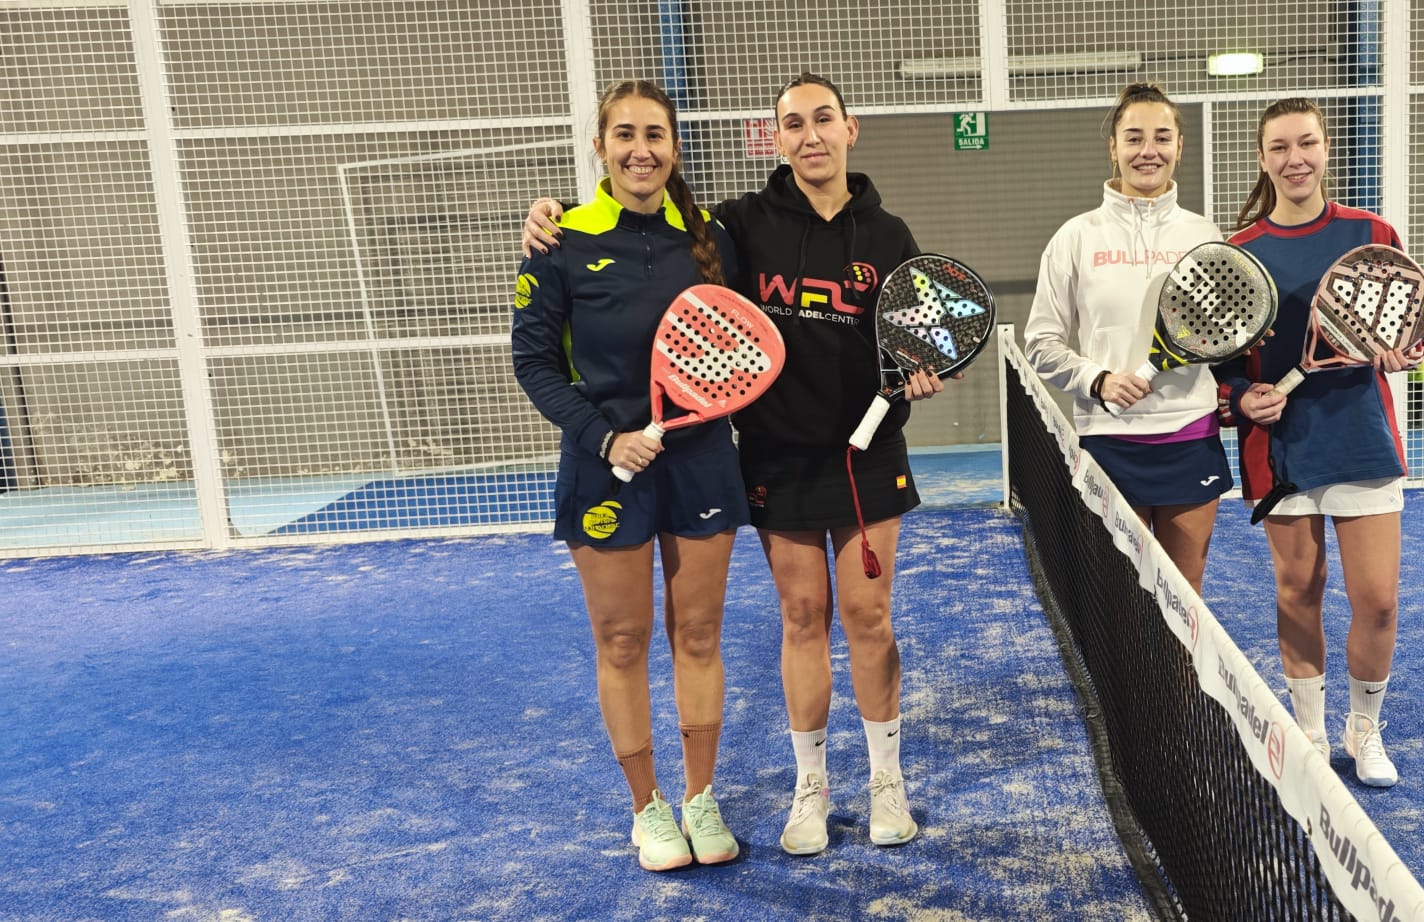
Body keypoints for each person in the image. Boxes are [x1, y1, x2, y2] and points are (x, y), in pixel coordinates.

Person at [524, 73, 942, 855]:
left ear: (850, 129)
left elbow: (922, 333)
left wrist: (920, 372)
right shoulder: (739, 225)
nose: (810, 135)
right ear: (775, 139)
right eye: (794, 123)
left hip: (859, 455)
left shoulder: (879, 234)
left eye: (824, 119)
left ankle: (881, 782)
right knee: (791, 620)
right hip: (771, 457)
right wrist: (551, 213)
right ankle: (802, 789)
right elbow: (560, 326)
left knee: (862, 618)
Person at [509, 79, 745, 870]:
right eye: (624, 135)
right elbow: (534, 362)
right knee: (621, 638)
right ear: (600, 147)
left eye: (655, 135)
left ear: (674, 148)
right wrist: (606, 440)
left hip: (701, 460)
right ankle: (648, 808)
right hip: (603, 466)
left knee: (698, 634)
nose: (640, 150)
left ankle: (700, 799)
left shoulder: (713, 237)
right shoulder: (561, 240)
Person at [1215, 98, 1424, 787]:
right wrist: (1242, 399)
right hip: (1282, 450)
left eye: (1306, 143)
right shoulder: (1239, 252)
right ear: (1262, 159)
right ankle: (1308, 730)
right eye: (1279, 147)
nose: (1295, 159)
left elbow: (1408, 322)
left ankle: (1364, 728)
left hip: (1361, 441)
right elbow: (1224, 366)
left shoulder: (1371, 232)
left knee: (1378, 601)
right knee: (1297, 591)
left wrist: (1405, 353)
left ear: (1326, 148)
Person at [1022, 82, 1232, 590]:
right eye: (1134, 138)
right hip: (1108, 440)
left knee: (1184, 597)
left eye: (1162, 137)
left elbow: (1220, 335)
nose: (1148, 151)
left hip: (1190, 435)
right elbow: (1041, 343)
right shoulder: (1075, 237)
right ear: (1113, 147)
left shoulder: (1204, 235)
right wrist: (1098, 381)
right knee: (1121, 600)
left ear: (1179, 146)